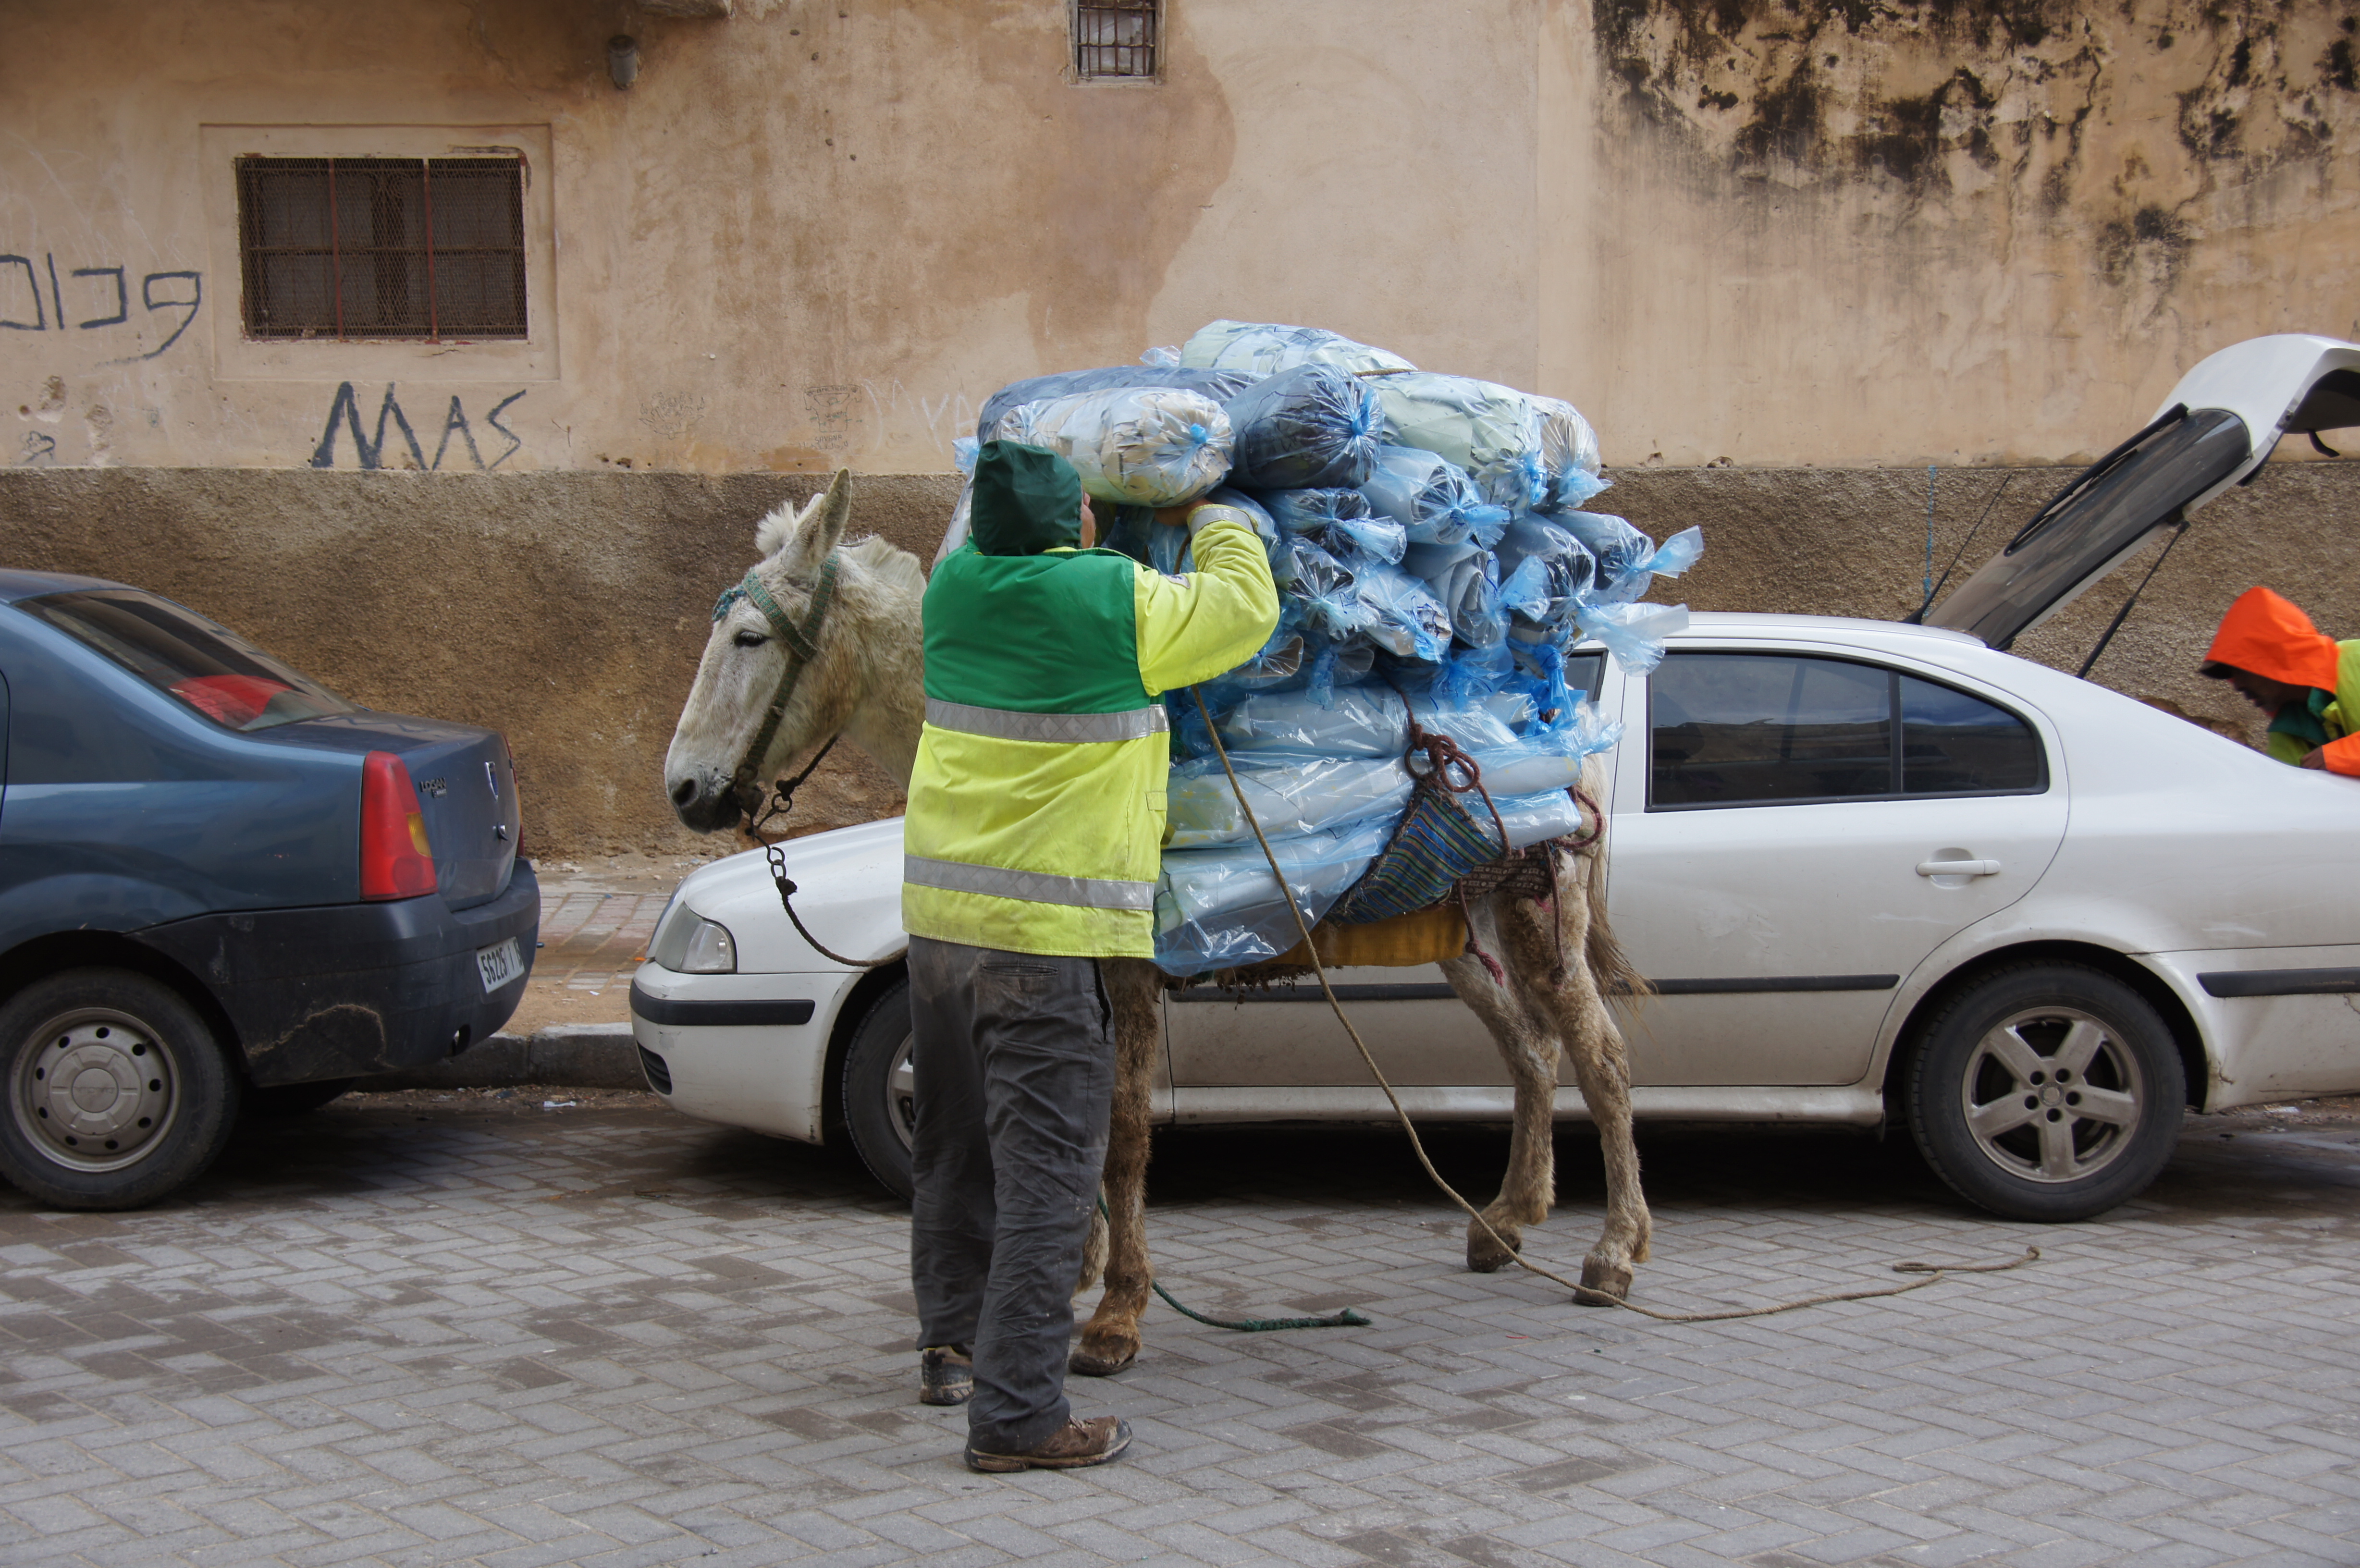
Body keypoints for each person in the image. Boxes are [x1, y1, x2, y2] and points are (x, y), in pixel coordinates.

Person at [900, 441, 1277, 1473]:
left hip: (937, 937)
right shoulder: (1112, 600)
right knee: (1049, 1184)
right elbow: (1244, 608)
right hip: (1044, 942)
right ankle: (1019, 1417)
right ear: (1077, 523)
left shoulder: (950, 593)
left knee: (953, 1156)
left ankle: (949, 1349)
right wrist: (1210, 512)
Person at [2199, 586, 2360, 775]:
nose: (2237, 685)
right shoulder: (2287, 729)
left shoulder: (2355, 659)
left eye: (2240, 671)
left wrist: (2336, 756)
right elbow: (2282, 789)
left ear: (2271, 659)